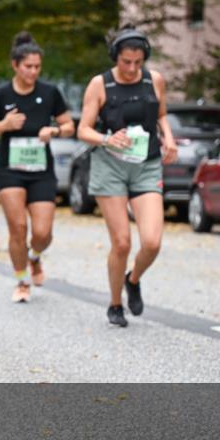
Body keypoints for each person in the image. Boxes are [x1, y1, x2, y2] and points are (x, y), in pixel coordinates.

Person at [77, 25, 178, 327]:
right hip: (110, 166)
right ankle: (115, 303)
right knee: (121, 242)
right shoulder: (100, 84)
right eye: (126, 62)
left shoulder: (154, 80)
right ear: (115, 57)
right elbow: (83, 130)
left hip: (146, 164)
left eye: (138, 62)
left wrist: (169, 138)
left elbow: (161, 114)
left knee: (152, 242)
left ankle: (132, 280)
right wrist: (107, 139)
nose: (132, 69)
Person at [0, 32, 75, 303]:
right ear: (15, 65)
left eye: (37, 67)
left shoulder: (49, 92)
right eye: (28, 66)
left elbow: (69, 126)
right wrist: (4, 125)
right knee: (18, 228)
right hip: (9, 169)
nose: (33, 71)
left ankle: (34, 256)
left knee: (42, 233)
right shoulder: (0, 95)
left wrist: (54, 131)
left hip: (41, 170)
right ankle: (22, 281)